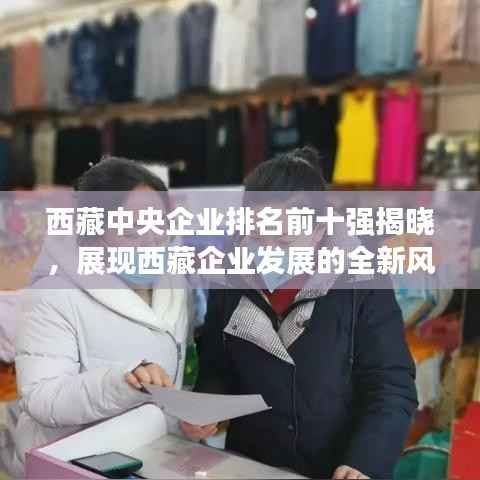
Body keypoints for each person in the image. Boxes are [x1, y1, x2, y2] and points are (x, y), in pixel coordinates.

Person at [183, 147, 418, 479]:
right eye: (257, 238)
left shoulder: (361, 281)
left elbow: (391, 385)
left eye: (283, 242)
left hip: (336, 464)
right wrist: (208, 407)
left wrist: (365, 462)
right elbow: (217, 364)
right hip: (251, 463)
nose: (268, 254)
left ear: (319, 231)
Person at [5, 157, 190, 477]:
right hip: (73, 462)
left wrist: (187, 420)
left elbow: (172, 381)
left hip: (149, 452)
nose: (150, 242)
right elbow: (43, 398)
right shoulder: (53, 294)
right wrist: (125, 382)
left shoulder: (173, 284)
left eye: (158, 228)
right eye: (132, 232)